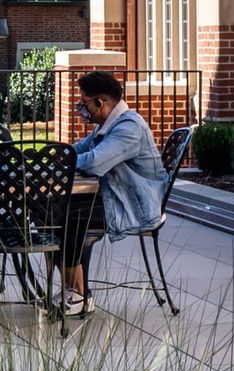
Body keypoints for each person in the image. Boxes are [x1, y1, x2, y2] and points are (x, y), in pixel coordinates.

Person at [62, 69, 165, 317]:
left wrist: (58, 163)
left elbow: (96, 161)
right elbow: (77, 151)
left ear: (100, 103)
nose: (80, 109)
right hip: (115, 197)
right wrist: (50, 157)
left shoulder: (128, 127)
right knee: (55, 209)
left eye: (84, 103)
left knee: (68, 215)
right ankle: (77, 292)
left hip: (135, 206)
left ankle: (77, 293)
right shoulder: (107, 125)